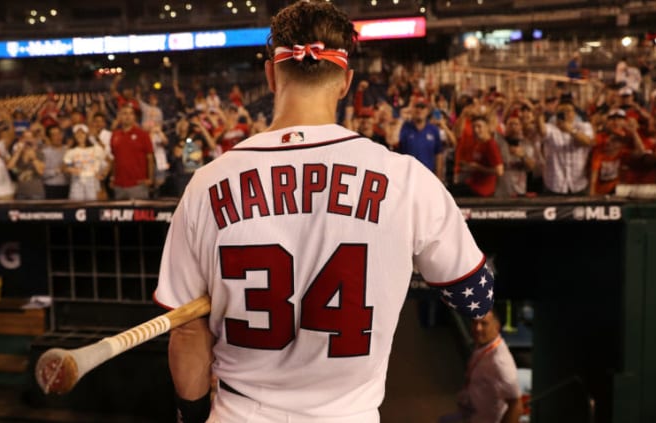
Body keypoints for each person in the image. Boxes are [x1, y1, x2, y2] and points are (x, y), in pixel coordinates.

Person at [153, 2, 495, 422]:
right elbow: (475, 297)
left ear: (270, 74)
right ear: (347, 81)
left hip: (239, 411)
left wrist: (191, 415)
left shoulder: (206, 183)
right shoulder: (405, 178)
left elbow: (186, 331)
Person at [449, 308, 523, 423]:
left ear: (497, 327)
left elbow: (516, 406)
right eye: (475, 322)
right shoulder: (484, 345)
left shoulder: (500, 364)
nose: (478, 328)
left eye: (484, 323)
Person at [110, 105, 154, 200]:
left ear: (134, 117)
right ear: (120, 116)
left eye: (130, 114)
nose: (127, 116)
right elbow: (114, 159)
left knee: (140, 214)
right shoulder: (115, 135)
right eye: (124, 113)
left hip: (138, 184)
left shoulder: (143, 135)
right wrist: (113, 177)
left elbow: (150, 158)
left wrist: (150, 178)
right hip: (119, 185)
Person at [392, 99, 444, 180]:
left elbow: (438, 154)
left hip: (428, 176)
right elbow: (393, 141)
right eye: (416, 107)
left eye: (422, 107)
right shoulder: (404, 127)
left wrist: (439, 178)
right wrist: (401, 119)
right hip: (406, 176)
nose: (419, 110)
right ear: (412, 109)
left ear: (427, 111)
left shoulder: (434, 130)